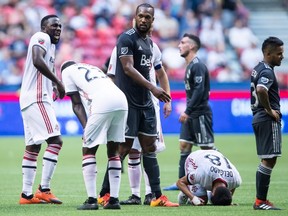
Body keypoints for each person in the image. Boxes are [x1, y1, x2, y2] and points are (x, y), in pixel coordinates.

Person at [99, 3, 178, 207]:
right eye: (140, 16)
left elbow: (159, 72)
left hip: (146, 104)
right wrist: (154, 88)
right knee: (124, 149)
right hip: (129, 104)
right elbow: (127, 68)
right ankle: (104, 193)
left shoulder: (150, 43)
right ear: (135, 17)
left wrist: (154, 92)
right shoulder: (126, 38)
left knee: (149, 149)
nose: (143, 20)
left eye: (147, 17)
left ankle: (157, 196)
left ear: (152, 20)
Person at [60, 61, 128, 210]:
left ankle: (91, 200)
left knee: (88, 149)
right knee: (113, 151)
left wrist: (86, 128)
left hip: (103, 100)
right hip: (121, 99)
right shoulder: (91, 67)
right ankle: (114, 200)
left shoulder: (66, 71)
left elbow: (76, 104)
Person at [19, 14, 65, 204]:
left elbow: (43, 65)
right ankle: (44, 189)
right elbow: (38, 61)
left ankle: (26, 195)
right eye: (54, 25)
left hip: (29, 99)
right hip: (37, 98)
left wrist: (52, 85)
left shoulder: (51, 46)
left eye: (60, 26)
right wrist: (58, 82)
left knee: (33, 146)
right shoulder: (41, 37)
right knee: (55, 141)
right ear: (44, 27)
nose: (58, 29)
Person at [164, 33, 215, 191]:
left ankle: (219, 178)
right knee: (184, 146)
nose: (179, 45)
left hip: (199, 113)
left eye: (183, 42)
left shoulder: (198, 65)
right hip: (191, 114)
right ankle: (181, 183)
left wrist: (188, 111)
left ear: (192, 46)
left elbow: (199, 91)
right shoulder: (190, 66)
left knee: (207, 149)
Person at [250, 36, 284, 210]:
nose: (282, 57)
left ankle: (260, 200)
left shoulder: (258, 68)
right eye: (279, 54)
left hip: (257, 117)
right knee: (269, 160)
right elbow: (261, 89)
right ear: (268, 53)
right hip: (266, 119)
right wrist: (270, 110)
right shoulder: (267, 72)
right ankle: (260, 201)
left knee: (267, 159)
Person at [176, 149, 242, 206]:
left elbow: (232, 188)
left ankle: (195, 191)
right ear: (212, 193)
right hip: (195, 158)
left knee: (205, 199)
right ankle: (187, 191)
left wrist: (227, 200)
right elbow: (180, 182)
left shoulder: (236, 180)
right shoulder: (202, 174)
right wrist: (193, 198)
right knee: (202, 200)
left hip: (214, 156)